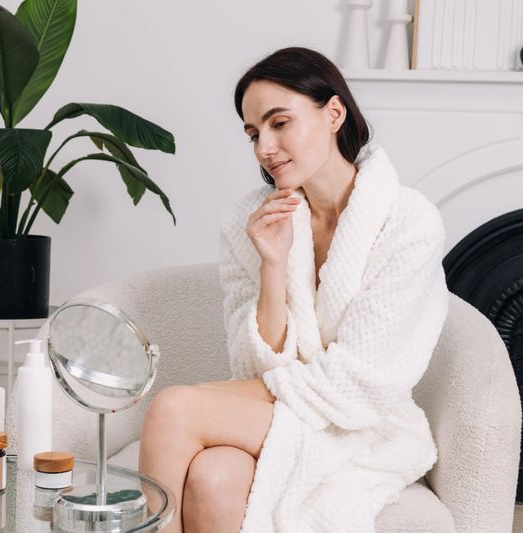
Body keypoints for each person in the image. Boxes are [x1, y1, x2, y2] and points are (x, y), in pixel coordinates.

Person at [139, 46, 449, 533]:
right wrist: (272, 264)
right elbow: (251, 364)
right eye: (253, 133)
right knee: (213, 477)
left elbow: (359, 387)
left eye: (279, 123)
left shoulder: (409, 223)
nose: (265, 147)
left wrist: (213, 396)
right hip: (291, 408)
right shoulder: (251, 221)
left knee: (174, 408)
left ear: (333, 113)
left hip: (364, 426)